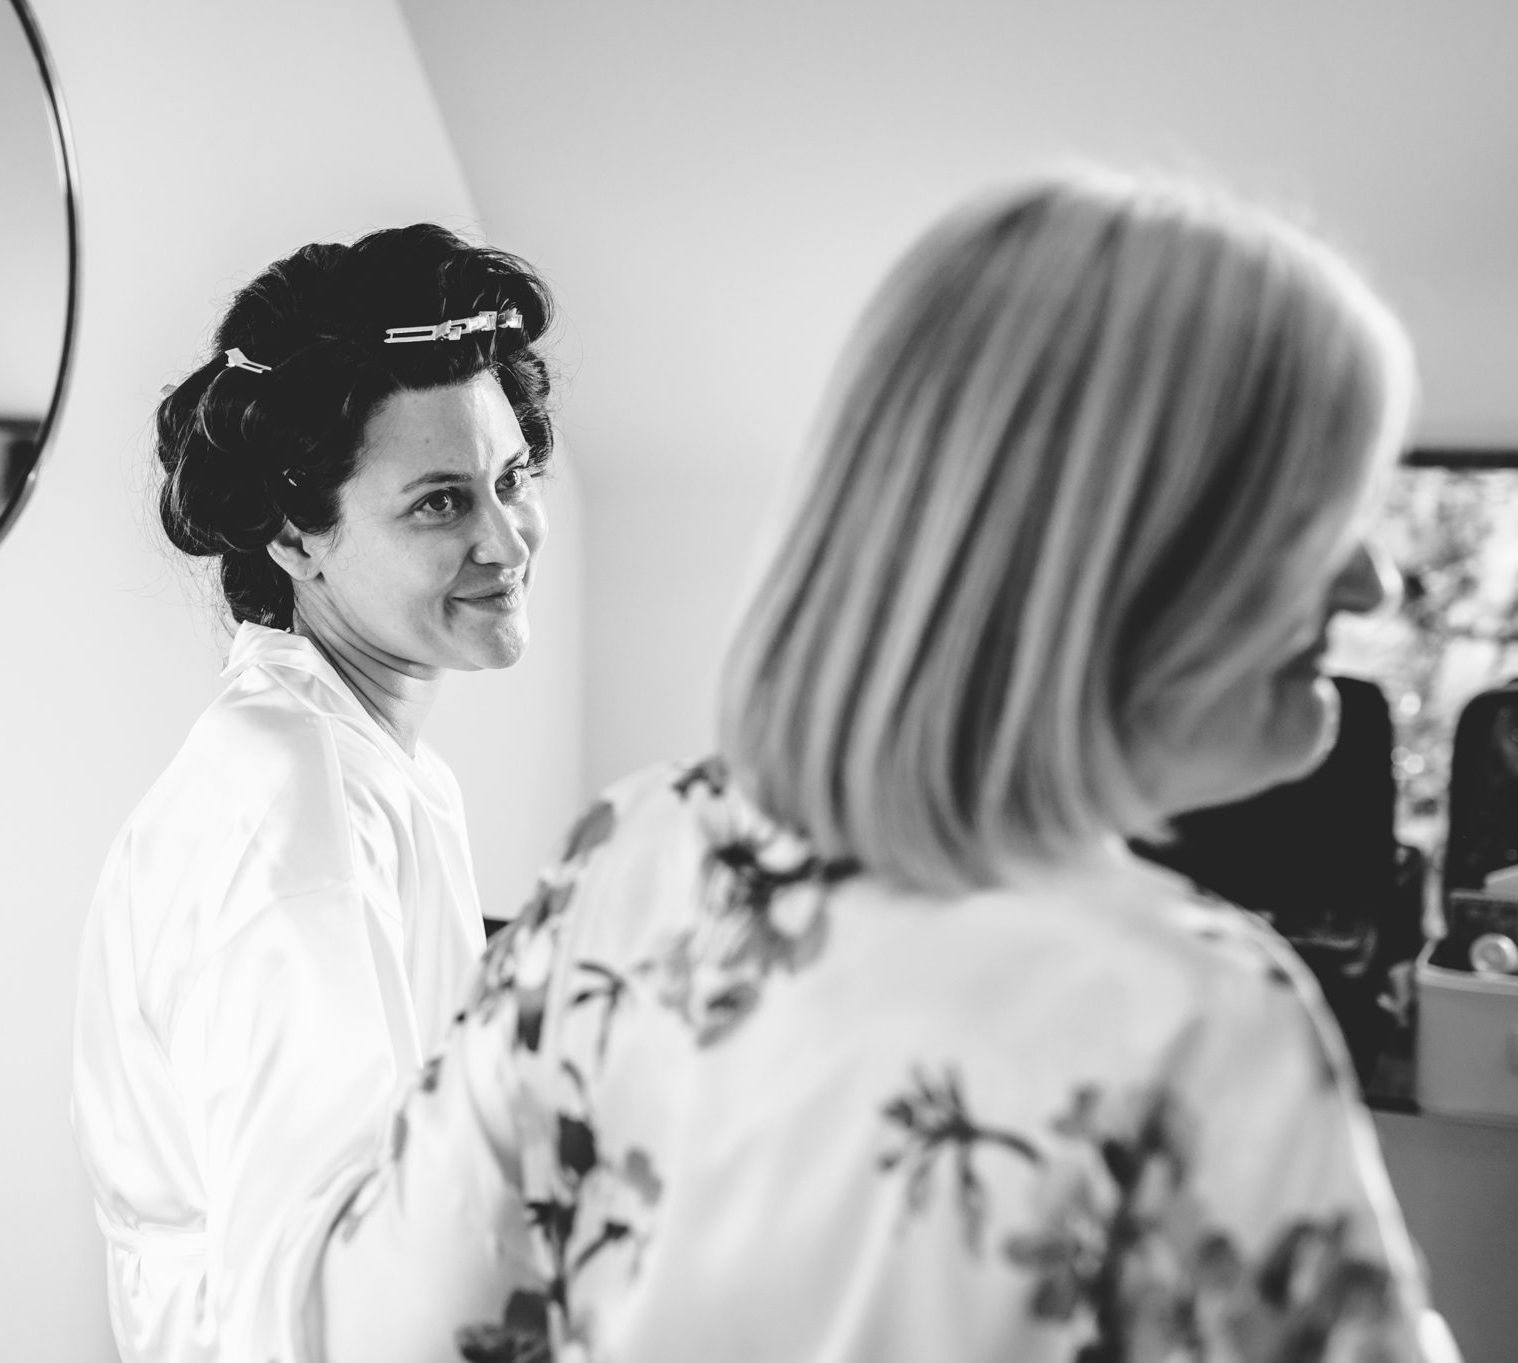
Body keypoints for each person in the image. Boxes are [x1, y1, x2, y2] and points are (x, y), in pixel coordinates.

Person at [256, 172, 1463, 1362]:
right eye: (1316, 511)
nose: (1374, 583)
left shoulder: (633, 862)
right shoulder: (1197, 1022)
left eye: (513, 480)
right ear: (1124, 539)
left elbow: (370, 1330)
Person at [69, 224, 557, 1363]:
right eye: (440, 502)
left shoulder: (378, 769)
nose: (507, 539)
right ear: (296, 532)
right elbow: (325, 1310)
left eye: (510, 478)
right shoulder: (290, 801)